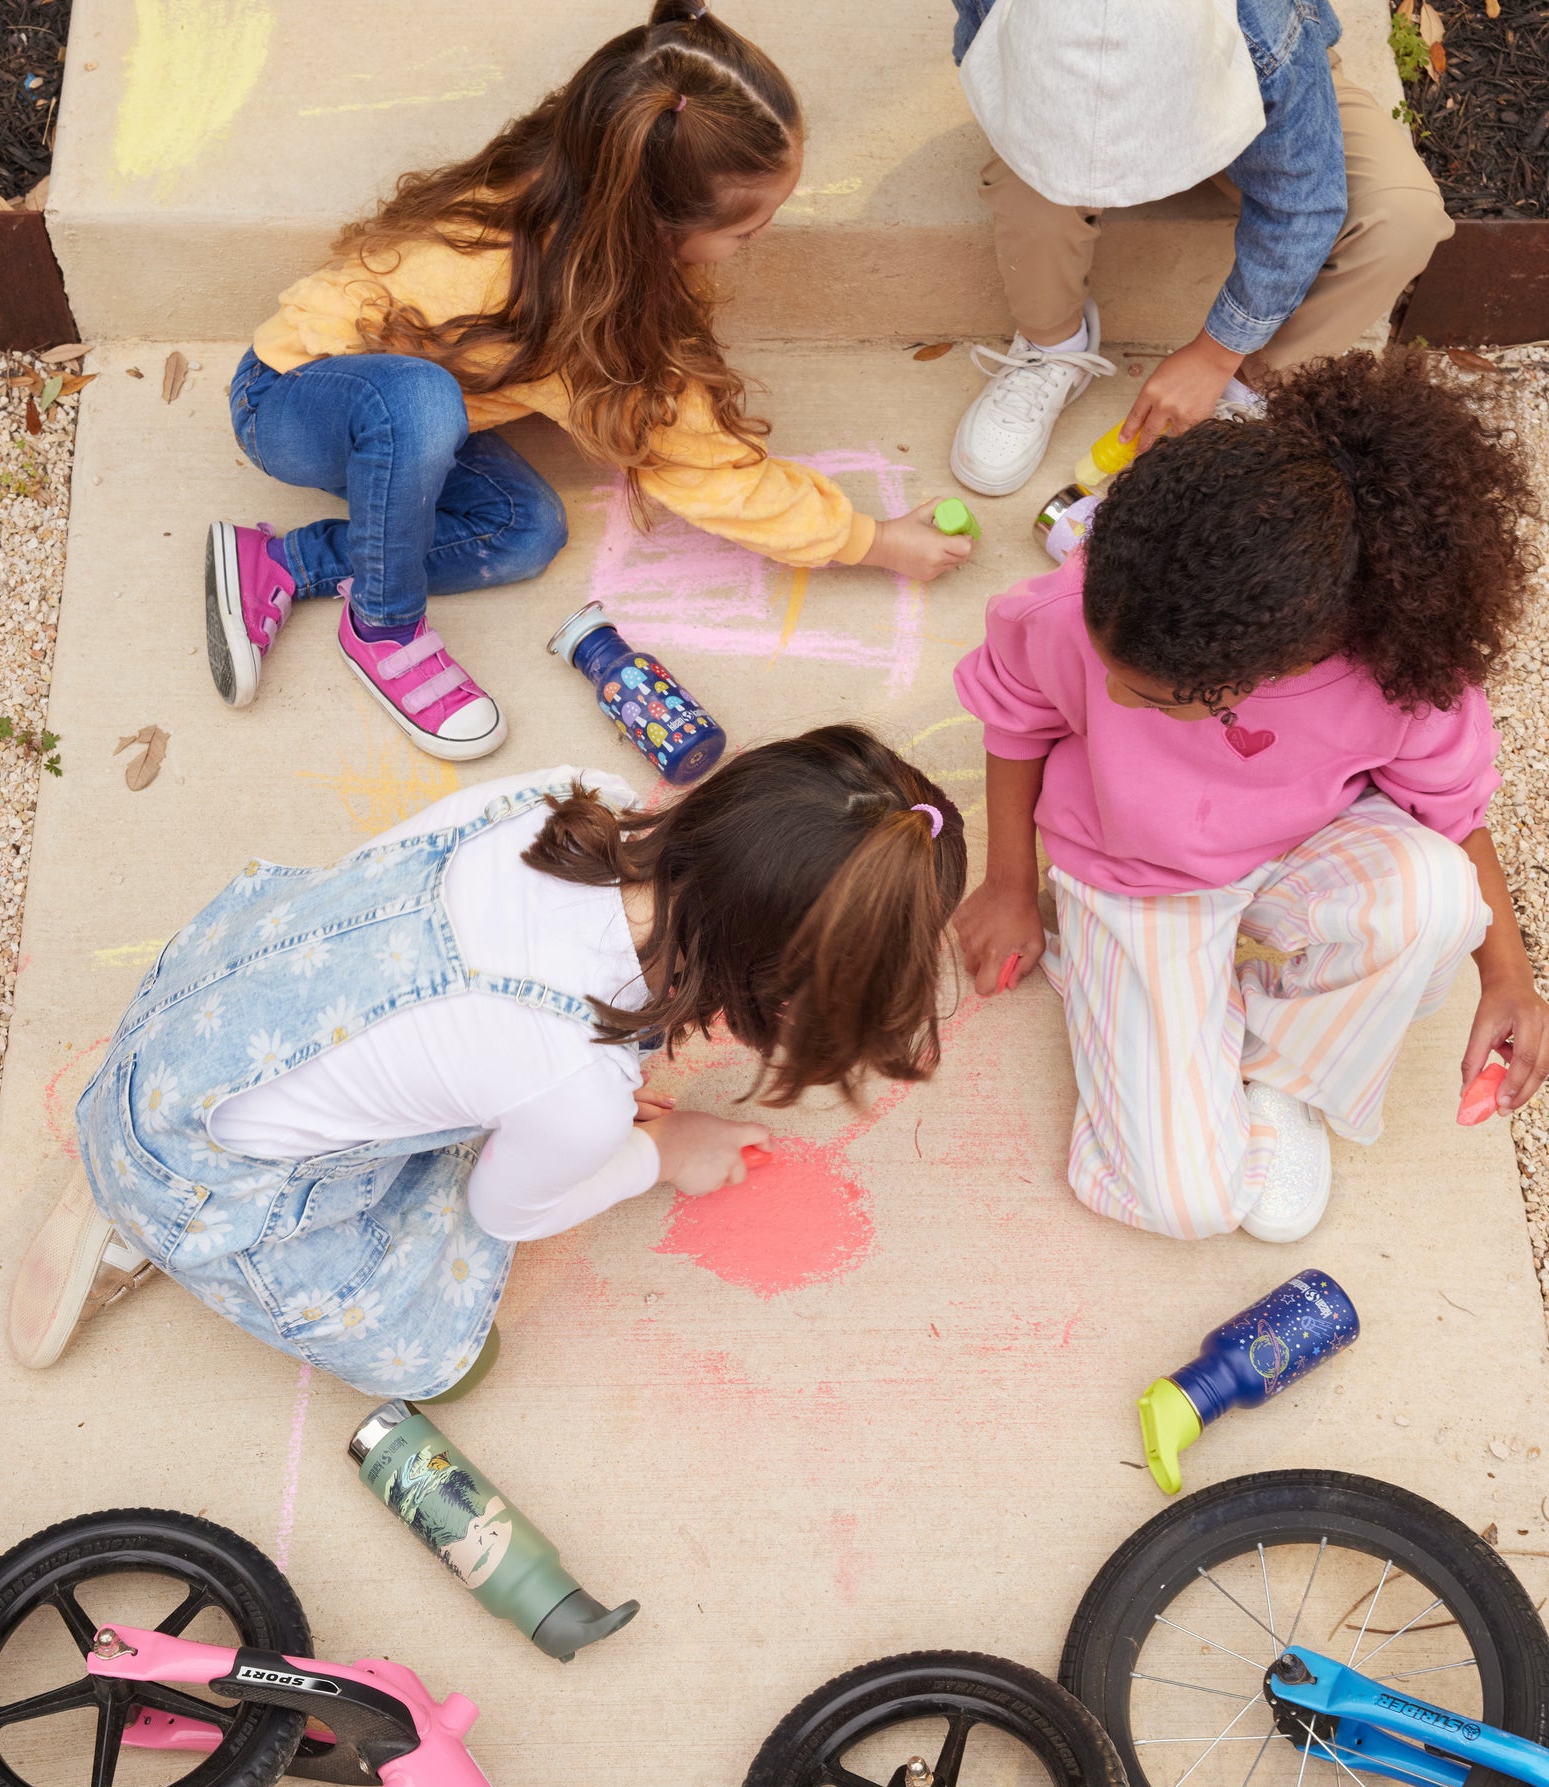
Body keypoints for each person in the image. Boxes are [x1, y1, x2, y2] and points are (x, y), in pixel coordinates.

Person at [9, 728, 968, 1395]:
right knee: (450, 1365)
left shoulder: (565, 798)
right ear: (778, 979)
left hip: (196, 1013)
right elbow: (505, 1212)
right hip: (199, 1172)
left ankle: (125, 1152)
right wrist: (661, 1153)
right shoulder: (569, 1083)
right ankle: (135, 1214)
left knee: (477, 1109)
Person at [204, 0, 970, 762]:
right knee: (418, 402)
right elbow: (705, 472)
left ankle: (277, 562)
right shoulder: (580, 307)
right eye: (745, 230)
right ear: (653, 228)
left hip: (413, 408)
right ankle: (383, 625)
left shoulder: (583, 172)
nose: (758, 238)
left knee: (525, 533)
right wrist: (868, 542)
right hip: (291, 398)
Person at [953, 349, 1542, 1243]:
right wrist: (1006, 884)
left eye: (1149, 696)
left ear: (1262, 669)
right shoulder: (1095, 608)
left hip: (1300, 856)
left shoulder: (1398, 669)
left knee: (1433, 900)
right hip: (1134, 874)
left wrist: (1508, 974)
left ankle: (1283, 1077)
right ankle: (1143, 982)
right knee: (1185, 1205)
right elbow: (1016, 716)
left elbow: (1452, 818)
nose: (1108, 703)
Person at [946, 0, 1454, 496]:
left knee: (1401, 217)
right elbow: (987, 66)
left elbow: (1302, 202)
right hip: (1069, 93)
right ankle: (1051, 346)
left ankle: (1250, 390)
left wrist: (1216, 355)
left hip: (1246, 83)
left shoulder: (1262, 21)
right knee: (1027, 176)